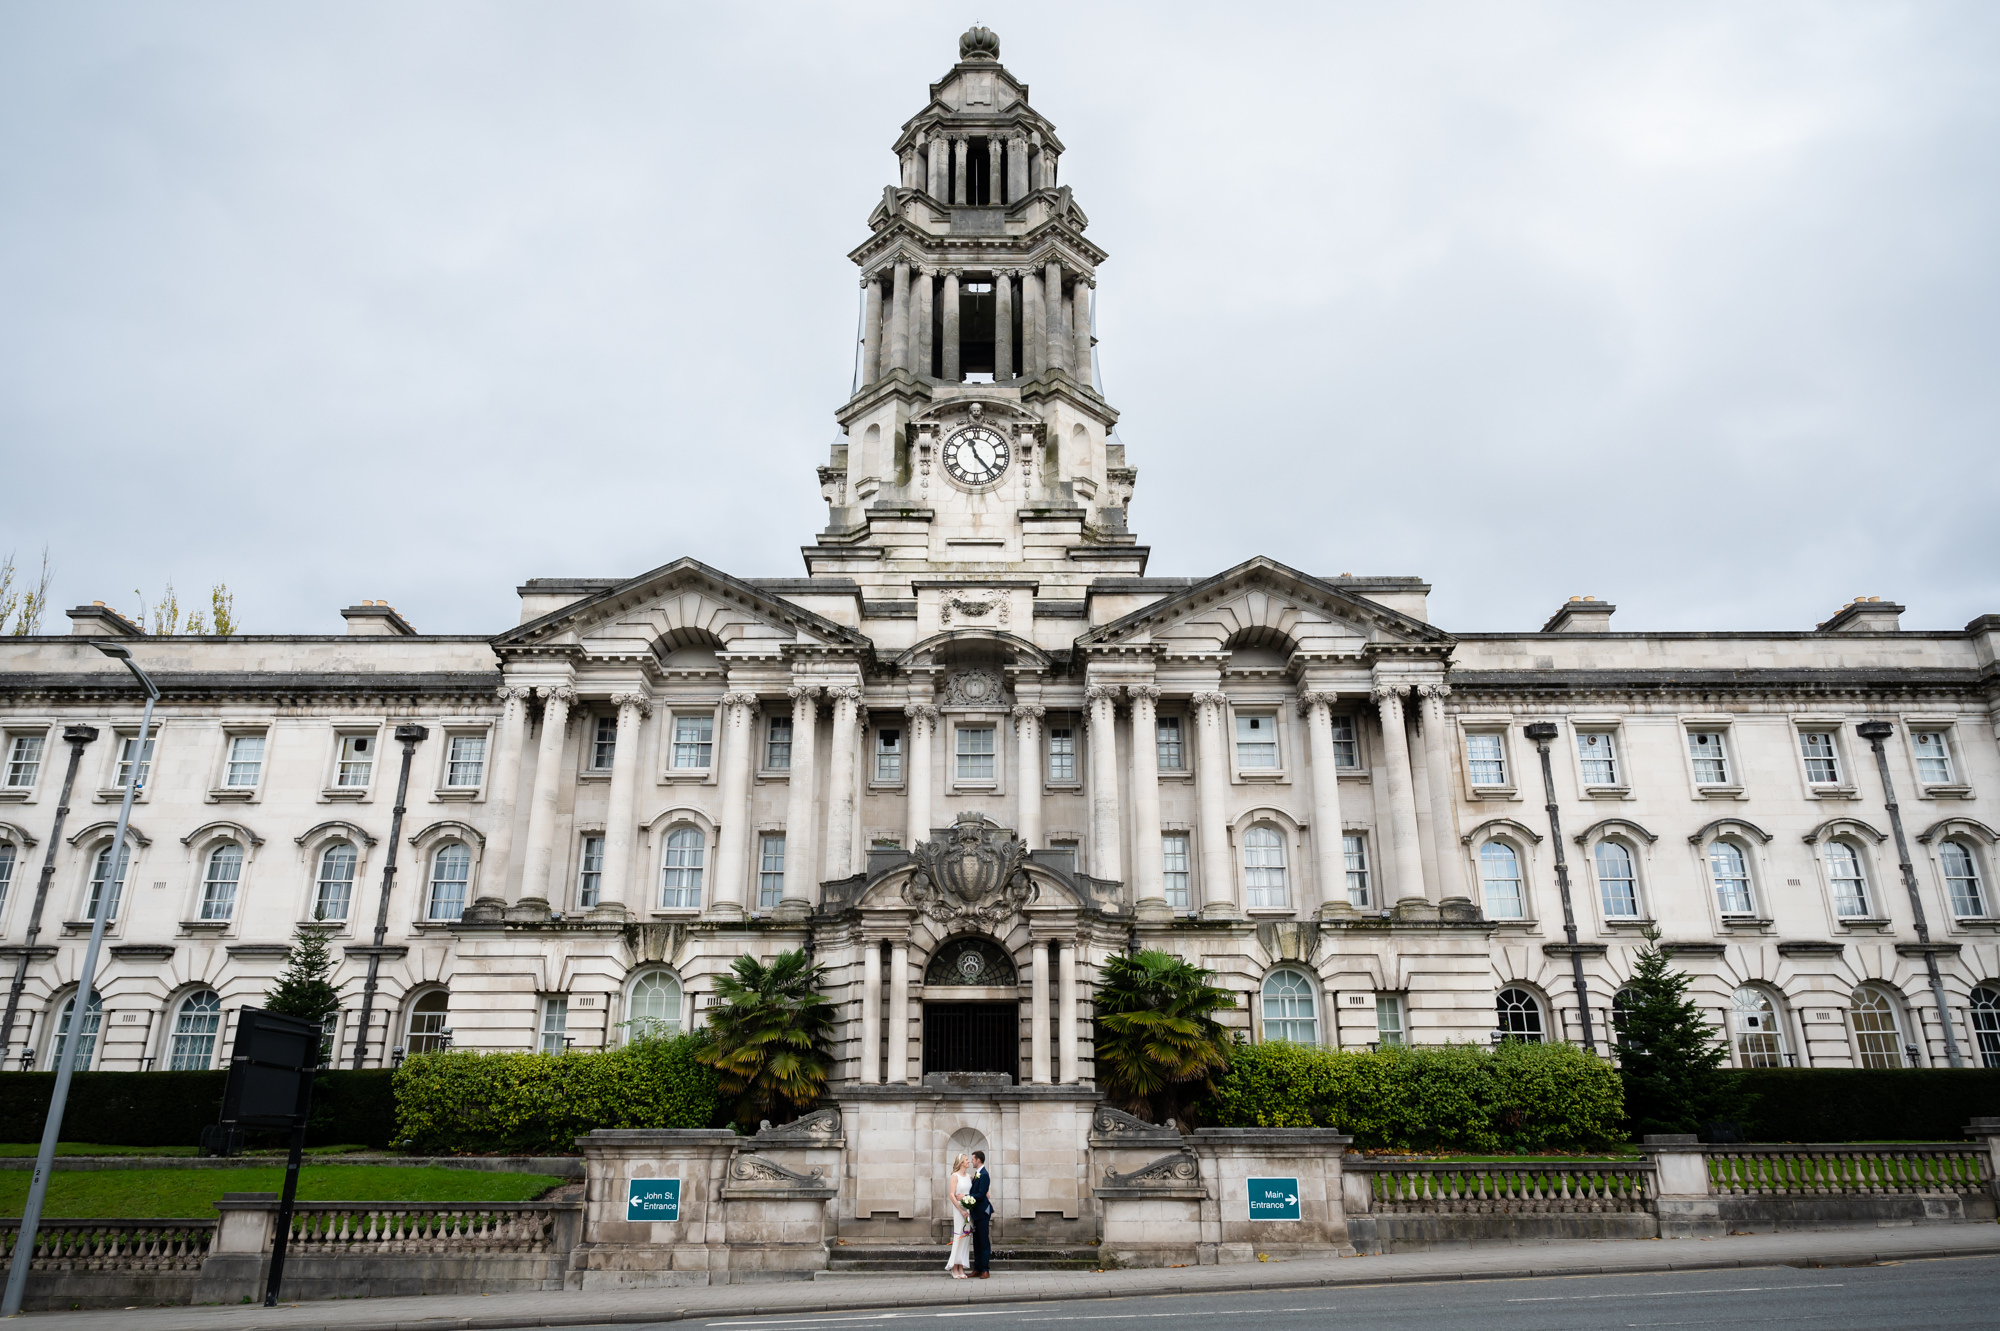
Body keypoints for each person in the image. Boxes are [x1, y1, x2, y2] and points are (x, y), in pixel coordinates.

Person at [944, 1153, 974, 1278]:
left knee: (966, 1237)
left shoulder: (970, 1177)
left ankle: (961, 1266)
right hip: (959, 1210)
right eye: (967, 1160)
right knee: (958, 1235)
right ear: (961, 1162)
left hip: (968, 1210)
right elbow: (951, 1195)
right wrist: (960, 1210)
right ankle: (954, 1267)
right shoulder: (954, 1176)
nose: (969, 1162)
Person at [967, 1148, 993, 1278]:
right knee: (976, 1242)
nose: (971, 1161)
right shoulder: (978, 1174)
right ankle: (977, 1268)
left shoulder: (984, 1174)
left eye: (972, 1159)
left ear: (978, 1160)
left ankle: (985, 1269)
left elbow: (982, 1194)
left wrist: (966, 1197)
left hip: (982, 1213)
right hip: (976, 1213)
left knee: (983, 1241)